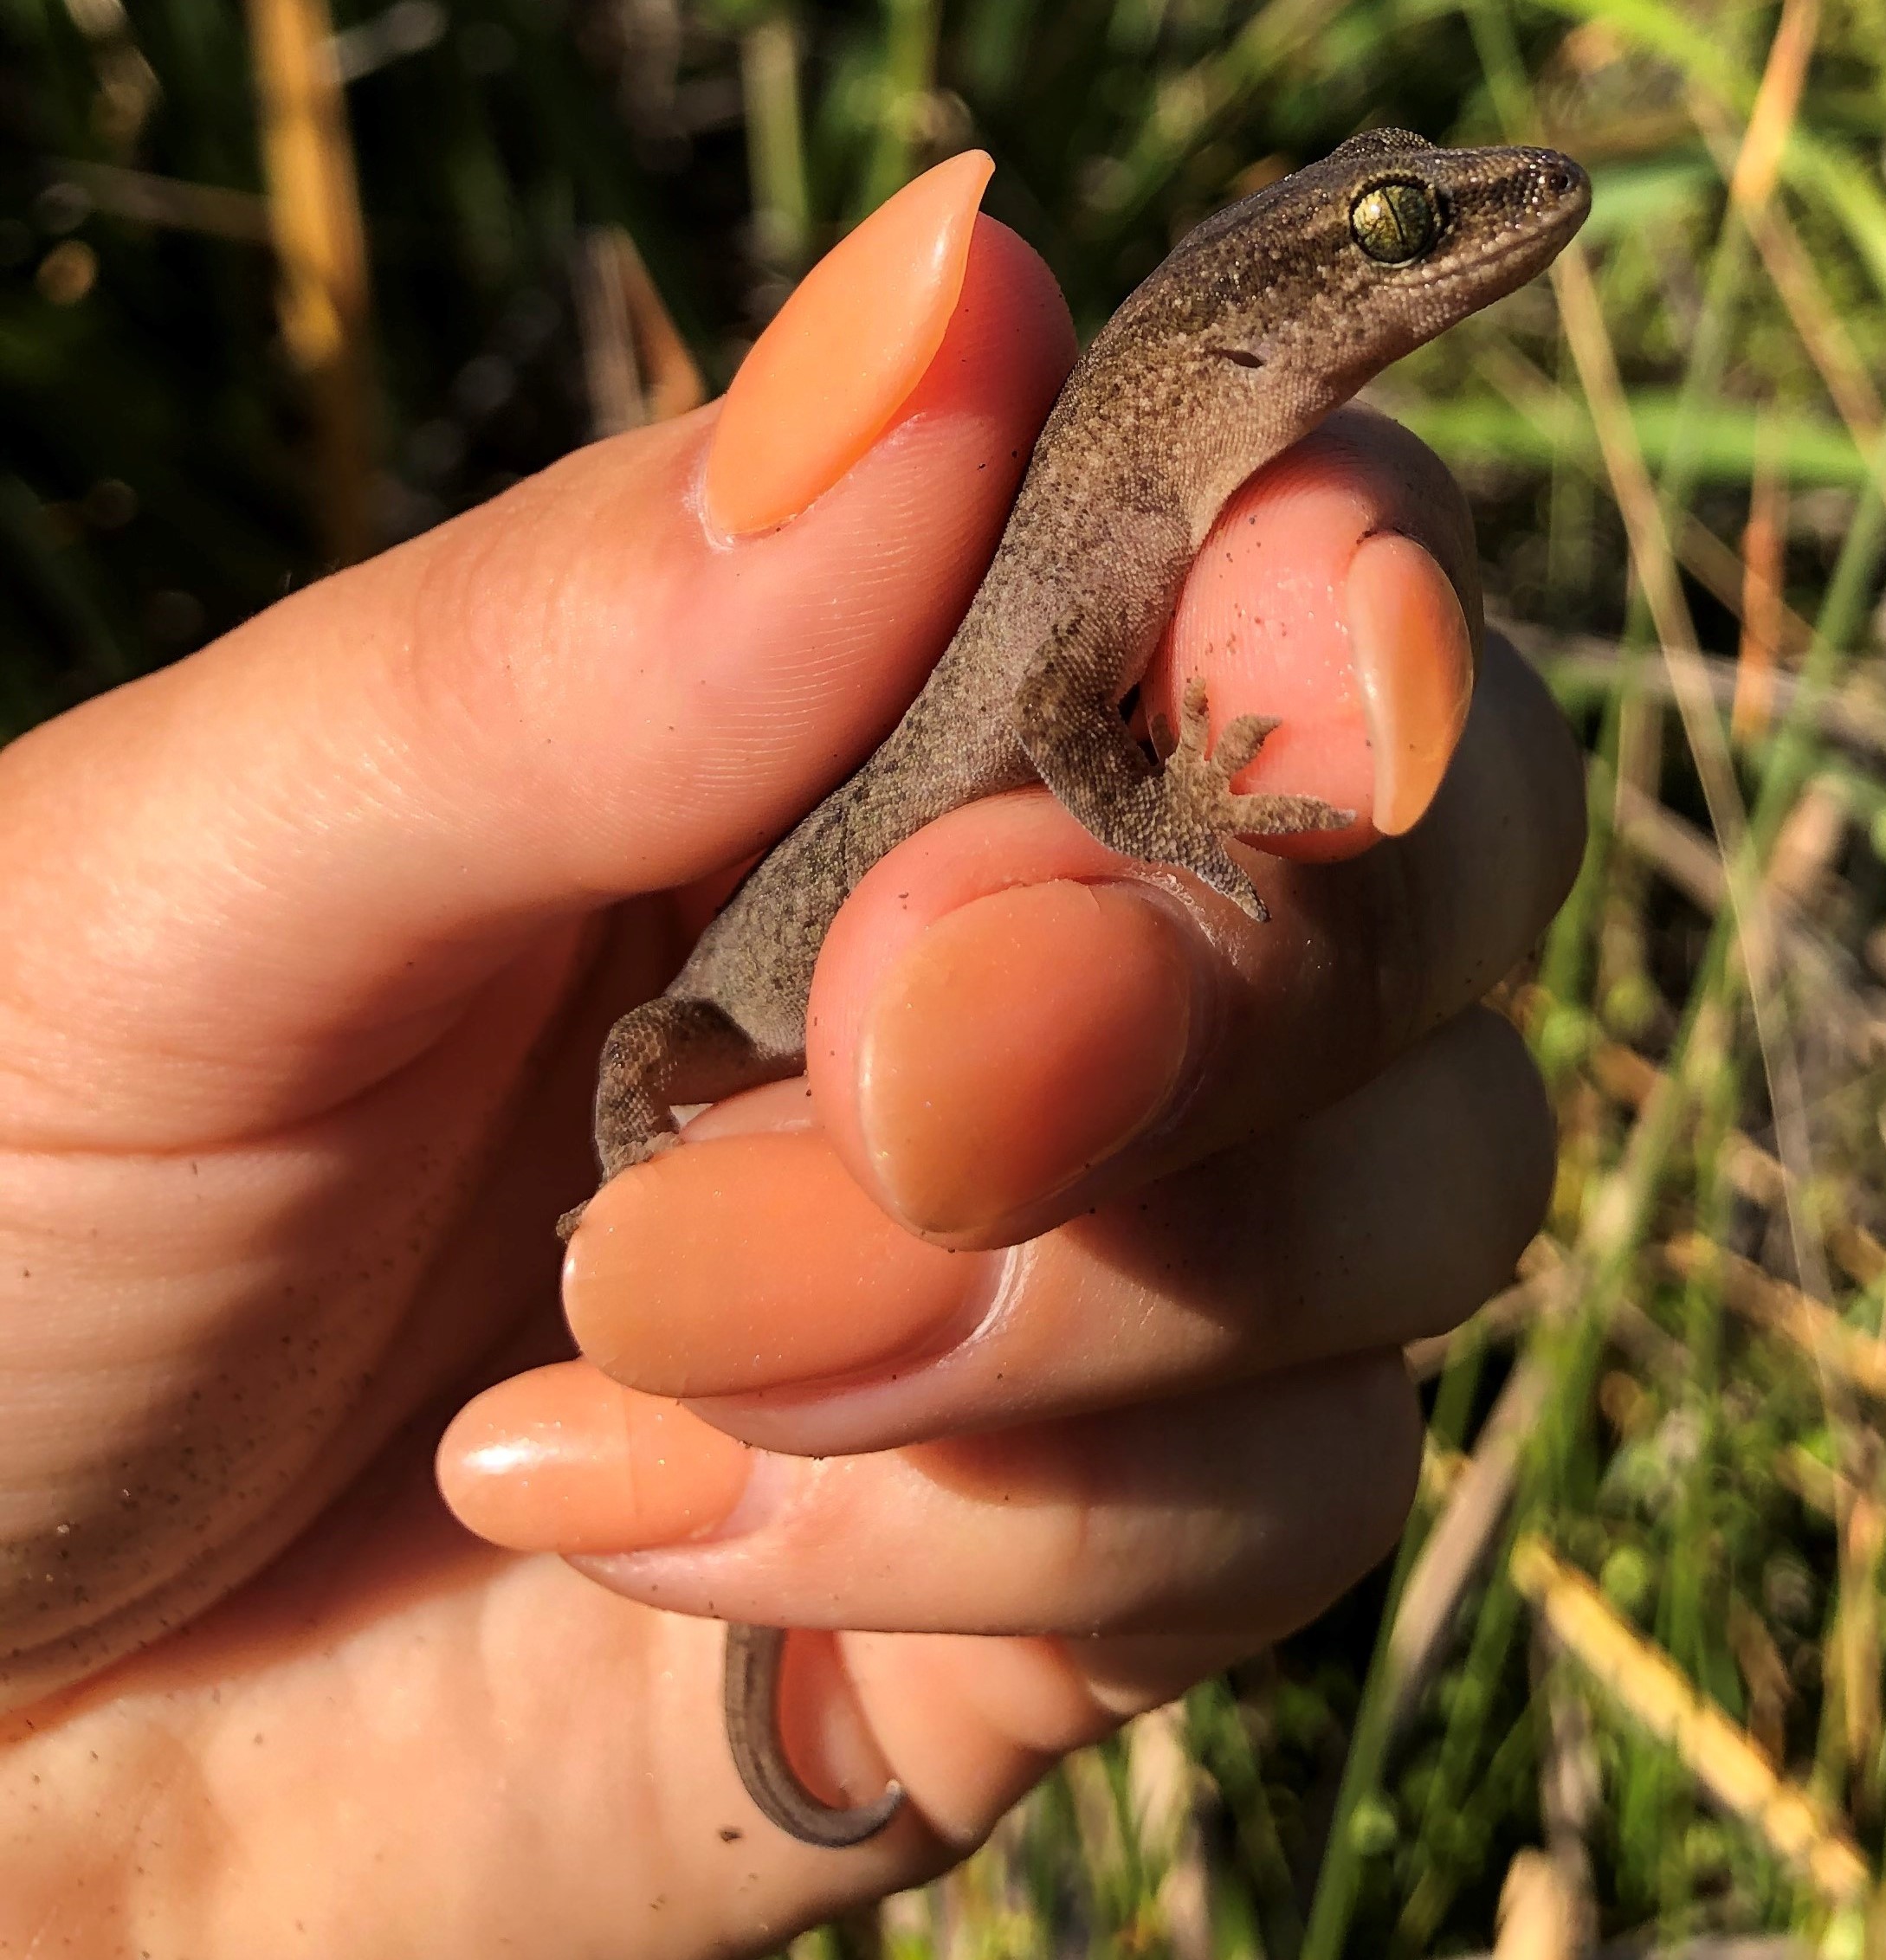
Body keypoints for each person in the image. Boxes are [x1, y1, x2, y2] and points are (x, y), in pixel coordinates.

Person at [0, 153, 1580, 1950]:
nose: (1481, 219)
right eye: (1395, 229)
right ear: (1250, 320)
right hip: (732, 1010)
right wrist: (1179, 817)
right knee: (699, 1068)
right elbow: (1060, 712)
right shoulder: (1135, 466)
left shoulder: (1176, 469)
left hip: (783, 1110)